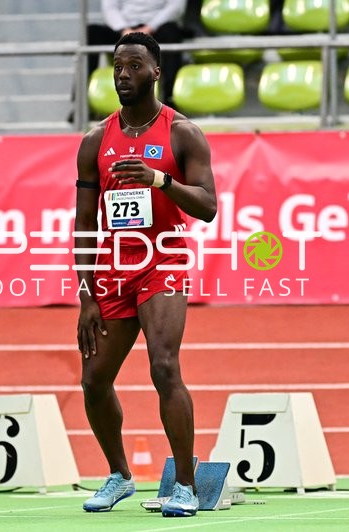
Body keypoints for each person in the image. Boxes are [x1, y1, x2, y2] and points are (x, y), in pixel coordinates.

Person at [73, 32, 217, 517]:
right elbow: (84, 221)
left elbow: (209, 207)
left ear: (156, 71)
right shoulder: (96, 139)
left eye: (134, 66)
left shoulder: (182, 133)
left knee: (164, 366)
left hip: (162, 259)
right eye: (117, 66)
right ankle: (120, 475)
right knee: (94, 379)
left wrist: (160, 180)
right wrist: (86, 293)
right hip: (113, 270)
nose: (122, 74)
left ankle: (185, 484)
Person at [87, 0, 187, 107]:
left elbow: (176, 7)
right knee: (91, 33)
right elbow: (109, 8)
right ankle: (81, 101)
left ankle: (169, 98)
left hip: (158, 28)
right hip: (123, 29)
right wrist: (124, 30)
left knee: (171, 33)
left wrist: (150, 28)